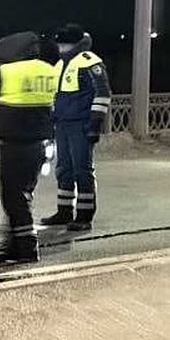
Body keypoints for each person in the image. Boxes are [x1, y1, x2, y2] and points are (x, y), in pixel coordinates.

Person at [0, 31, 61, 263]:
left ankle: (25, 248)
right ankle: (16, 242)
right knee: (23, 195)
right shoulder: (49, 70)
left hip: (15, 145)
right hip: (40, 143)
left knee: (13, 197)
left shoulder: (8, 72)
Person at [40, 23, 112, 232]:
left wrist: (95, 125)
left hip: (82, 124)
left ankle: (84, 216)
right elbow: (55, 95)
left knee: (83, 171)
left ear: (74, 44)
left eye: (63, 44)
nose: (60, 48)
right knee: (63, 170)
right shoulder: (60, 64)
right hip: (62, 124)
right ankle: (64, 212)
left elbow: (103, 94)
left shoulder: (90, 62)